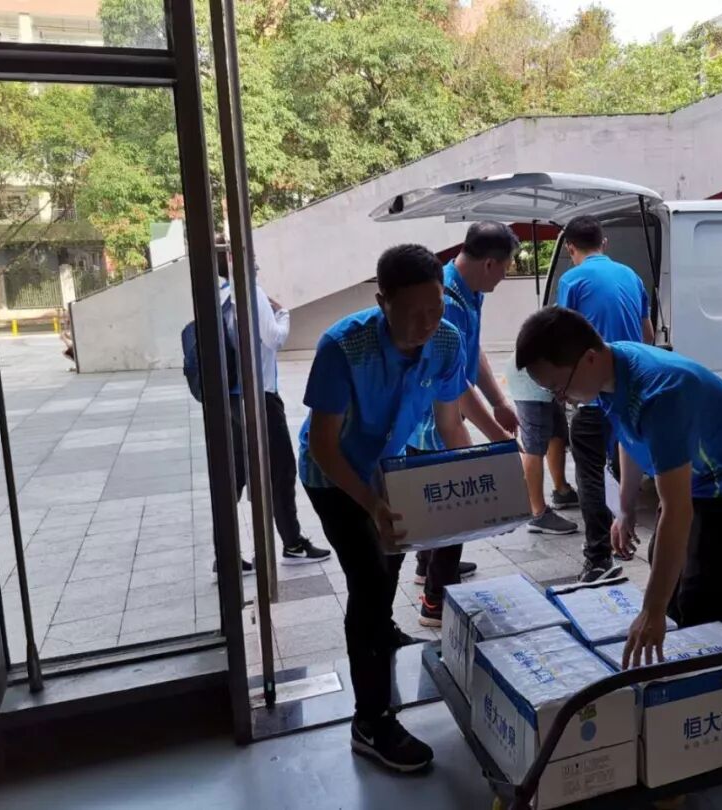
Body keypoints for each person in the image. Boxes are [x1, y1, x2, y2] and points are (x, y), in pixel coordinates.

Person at [515, 307, 722, 669]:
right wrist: (625, 508)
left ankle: (714, 676)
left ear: (589, 358)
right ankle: (672, 656)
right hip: (698, 475)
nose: (561, 399)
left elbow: (677, 510)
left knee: (700, 591)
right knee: (663, 563)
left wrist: (651, 611)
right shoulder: (610, 370)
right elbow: (630, 436)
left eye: (559, 387)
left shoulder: (660, 393)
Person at [299, 244, 473, 773]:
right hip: (334, 474)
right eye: (413, 312)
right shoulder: (343, 346)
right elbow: (324, 445)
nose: (427, 323)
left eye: (435, 307)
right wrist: (372, 503)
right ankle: (370, 722)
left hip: (392, 465)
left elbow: (450, 423)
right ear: (382, 302)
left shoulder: (447, 339)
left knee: (394, 555)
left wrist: (476, 485)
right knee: (369, 582)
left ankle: (383, 629)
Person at [407, 222, 522, 627]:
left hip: (446, 411)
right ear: (489, 263)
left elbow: (473, 352)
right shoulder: (446, 301)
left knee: (438, 500)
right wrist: (499, 441)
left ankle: (427, 564)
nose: (505, 276)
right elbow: (457, 387)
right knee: (458, 505)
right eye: (506, 267)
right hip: (433, 418)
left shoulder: (471, 291)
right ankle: (435, 600)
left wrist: (500, 402)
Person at [215, 239, 330, 578]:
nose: (256, 261)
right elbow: (274, 337)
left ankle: (225, 555)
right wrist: (283, 314)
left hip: (232, 397)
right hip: (260, 396)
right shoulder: (250, 292)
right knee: (281, 470)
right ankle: (293, 544)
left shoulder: (222, 293)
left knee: (235, 476)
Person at [555, 215, 654, 583]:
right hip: (629, 394)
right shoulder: (632, 276)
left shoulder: (572, 280)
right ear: (604, 243)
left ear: (570, 247)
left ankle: (598, 558)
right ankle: (621, 538)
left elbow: (563, 338)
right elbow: (647, 335)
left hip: (593, 398)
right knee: (621, 468)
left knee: (590, 475)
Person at [505, 358, 579, 535]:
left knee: (557, 433)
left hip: (549, 380)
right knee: (534, 447)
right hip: (531, 382)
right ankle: (537, 513)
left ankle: (562, 491)